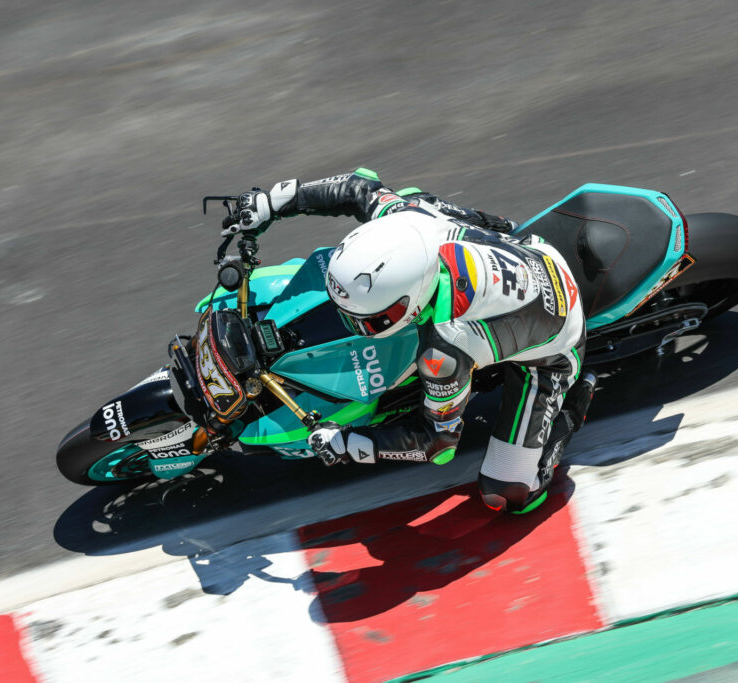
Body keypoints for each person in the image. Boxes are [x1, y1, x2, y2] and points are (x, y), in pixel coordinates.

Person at [229, 168, 595, 513]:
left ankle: (574, 406)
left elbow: (437, 445)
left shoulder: (445, 350)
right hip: (530, 247)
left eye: (367, 320)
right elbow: (359, 185)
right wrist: (274, 203)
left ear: (413, 300)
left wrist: (348, 444)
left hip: (559, 338)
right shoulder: (405, 219)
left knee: (507, 492)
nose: (350, 324)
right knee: (416, 199)